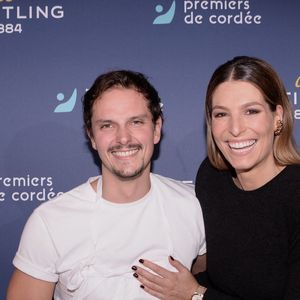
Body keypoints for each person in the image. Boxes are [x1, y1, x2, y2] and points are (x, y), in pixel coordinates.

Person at [6, 70, 206, 300]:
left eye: (136, 122)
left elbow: (206, 280)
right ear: (91, 136)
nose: (123, 138)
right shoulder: (50, 221)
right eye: (107, 126)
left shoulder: (193, 205)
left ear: (157, 128)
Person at [132, 56, 300, 299]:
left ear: (278, 117)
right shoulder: (212, 177)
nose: (235, 128)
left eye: (251, 111)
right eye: (222, 114)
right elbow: (227, 279)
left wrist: (195, 294)